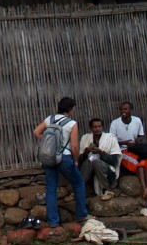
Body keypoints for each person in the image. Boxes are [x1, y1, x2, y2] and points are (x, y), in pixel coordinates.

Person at [33, 96, 89, 228]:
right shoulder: (72, 123)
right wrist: (76, 160)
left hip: (49, 157)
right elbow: (74, 146)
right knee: (78, 183)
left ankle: (53, 222)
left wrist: (49, 145)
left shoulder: (50, 119)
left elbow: (36, 132)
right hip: (64, 157)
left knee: (51, 188)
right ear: (70, 109)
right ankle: (81, 215)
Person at [110, 101, 147, 193]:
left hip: (135, 149)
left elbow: (140, 135)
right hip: (122, 150)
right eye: (121, 109)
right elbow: (111, 141)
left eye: (125, 109)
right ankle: (144, 189)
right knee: (139, 163)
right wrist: (124, 143)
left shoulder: (137, 121)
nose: (123, 111)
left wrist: (138, 140)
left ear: (131, 110)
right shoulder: (115, 123)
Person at [78, 118, 121, 199]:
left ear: (102, 127)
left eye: (99, 126)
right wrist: (85, 153)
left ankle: (107, 190)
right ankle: (78, 190)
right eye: (95, 127)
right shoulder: (85, 138)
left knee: (96, 161)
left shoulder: (110, 138)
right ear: (91, 128)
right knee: (90, 160)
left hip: (107, 170)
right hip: (90, 170)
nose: (97, 129)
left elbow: (114, 161)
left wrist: (101, 153)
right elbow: (80, 161)